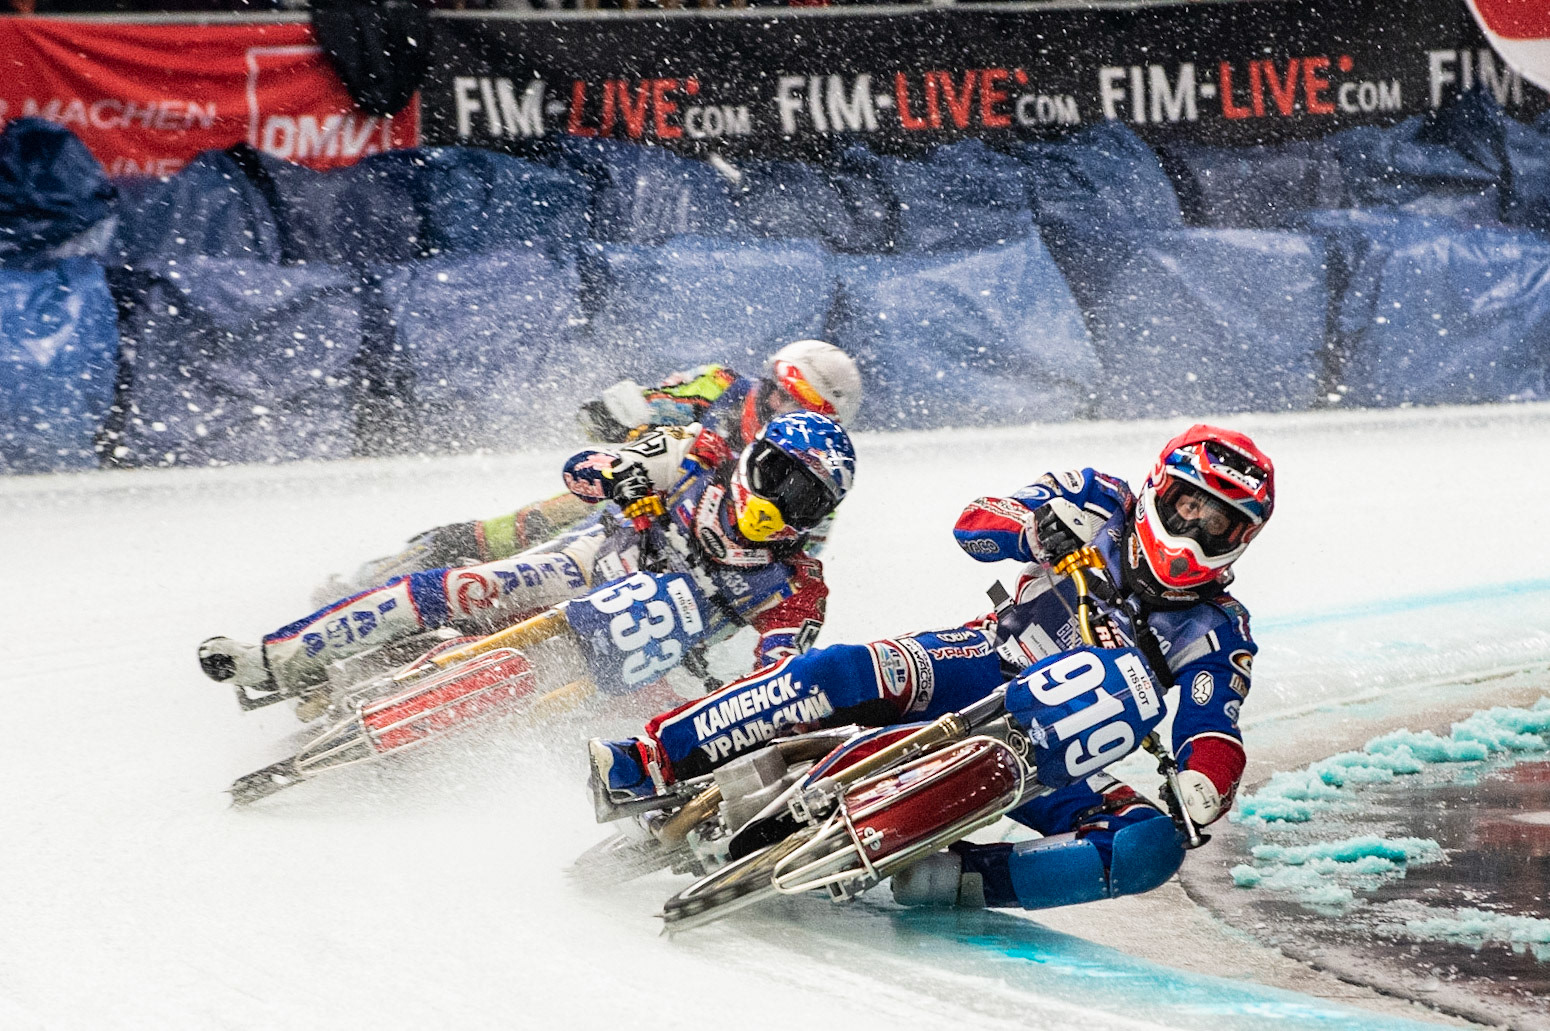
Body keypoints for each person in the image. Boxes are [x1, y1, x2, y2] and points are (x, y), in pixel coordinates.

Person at [588, 425, 1273, 911]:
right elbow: (976, 521)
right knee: (837, 673)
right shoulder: (1096, 498)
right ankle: (651, 759)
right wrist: (1031, 529)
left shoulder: (1219, 627)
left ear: (1241, 538)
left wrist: (1206, 784)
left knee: (1148, 846)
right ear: (1161, 489)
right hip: (978, 661)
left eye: (1218, 522)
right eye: (1190, 504)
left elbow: (1214, 723)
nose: (1194, 529)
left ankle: (955, 880)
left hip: (1058, 753)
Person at [199, 411, 857, 709]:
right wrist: (619, 474)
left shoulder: (799, 586)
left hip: (651, 654)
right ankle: (275, 660)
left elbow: (779, 680)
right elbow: (583, 469)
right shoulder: (697, 452)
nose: (780, 503)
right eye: (778, 478)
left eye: (804, 498)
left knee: (584, 723)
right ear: (755, 458)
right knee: (465, 585)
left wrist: (753, 689)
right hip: (591, 563)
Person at [311, 339, 863, 603]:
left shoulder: (814, 478)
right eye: (784, 397)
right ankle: (377, 580)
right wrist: (627, 424)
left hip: (693, 551)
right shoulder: (720, 386)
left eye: (806, 412)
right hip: (636, 492)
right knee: (517, 530)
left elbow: (791, 554)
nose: (785, 414)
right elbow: (622, 412)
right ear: (770, 384)